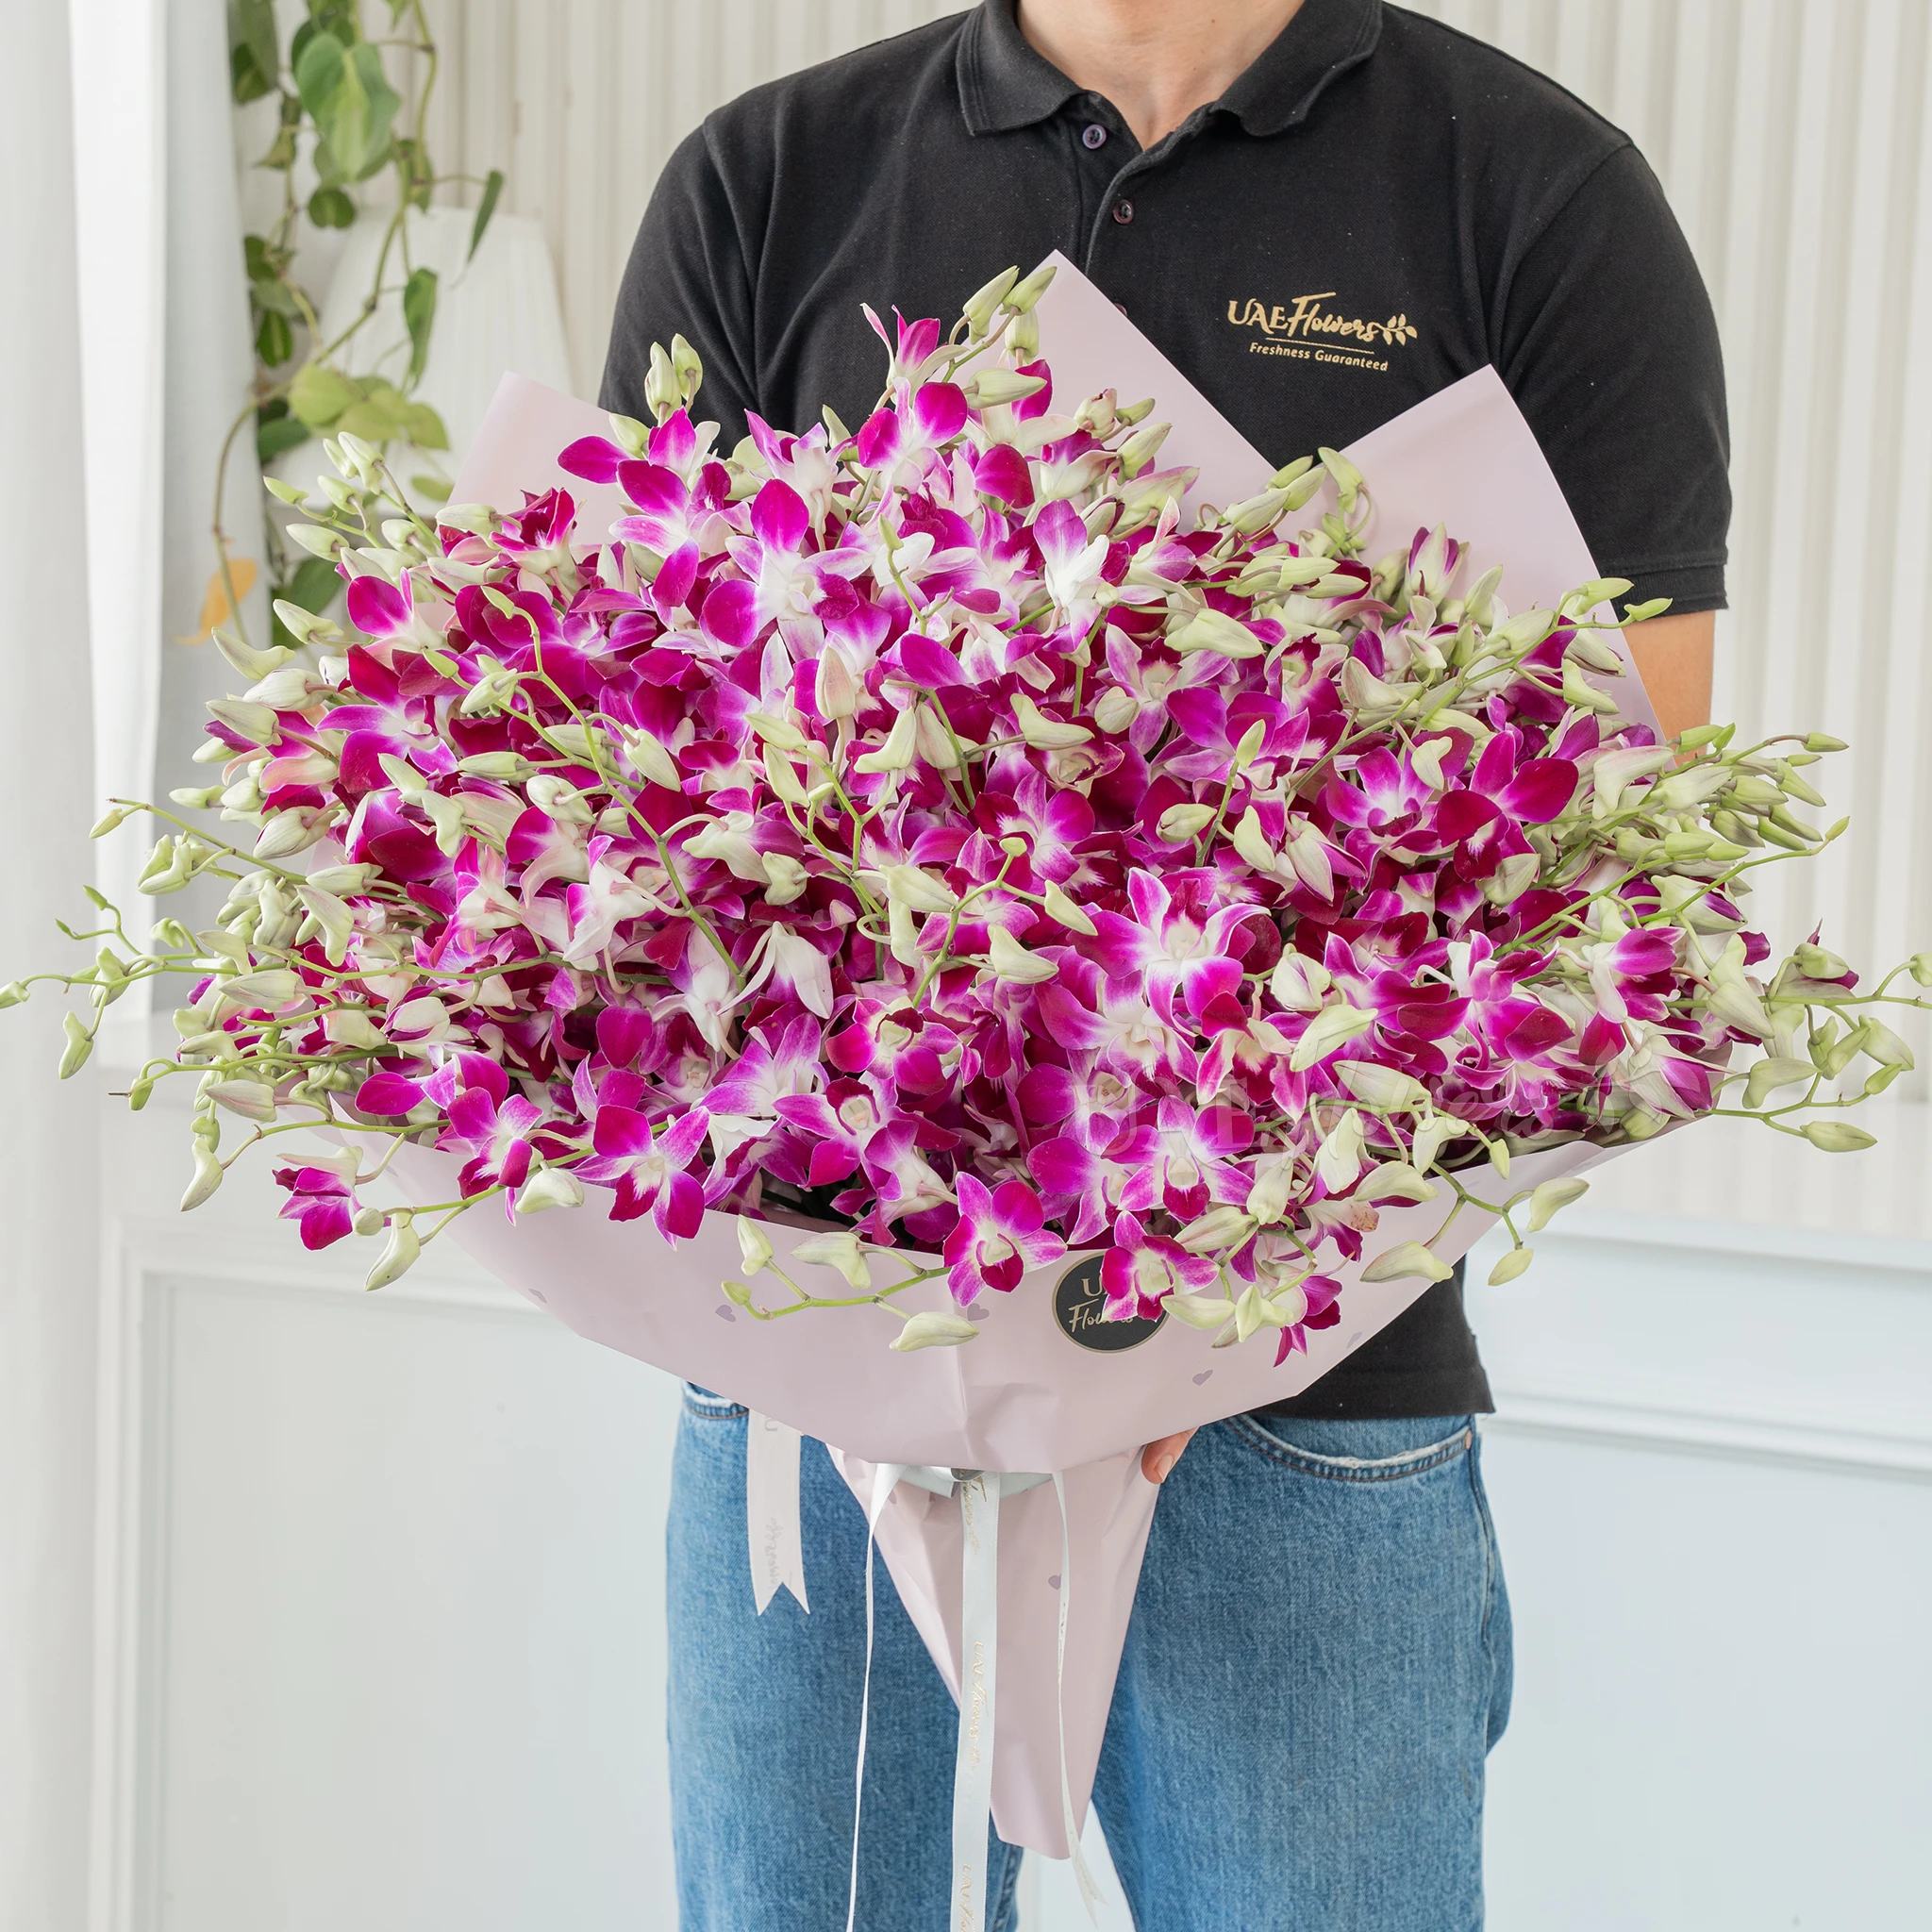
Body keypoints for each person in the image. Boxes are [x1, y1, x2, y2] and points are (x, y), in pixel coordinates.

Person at [602, 2, 1728, 1925]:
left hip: (1297, 1420)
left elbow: (1607, 877)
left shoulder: (1530, 200)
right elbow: (613, 806)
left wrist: (1226, 1288)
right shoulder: (768, 185)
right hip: (827, 1389)